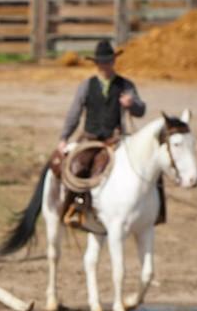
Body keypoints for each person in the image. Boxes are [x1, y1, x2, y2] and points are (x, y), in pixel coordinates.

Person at [56, 39, 149, 232]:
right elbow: (74, 113)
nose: (105, 65)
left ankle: (150, 209)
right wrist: (64, 137)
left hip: (117, 139)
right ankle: (75, 207)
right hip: (90, 139)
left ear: (113, 62)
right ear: (96, 63)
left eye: (108, 61)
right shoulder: (86, 86)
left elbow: (141, 110)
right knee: (78, 167)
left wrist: (131, 104)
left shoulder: (126, 85)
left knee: (145, 167)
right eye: (102, 62)